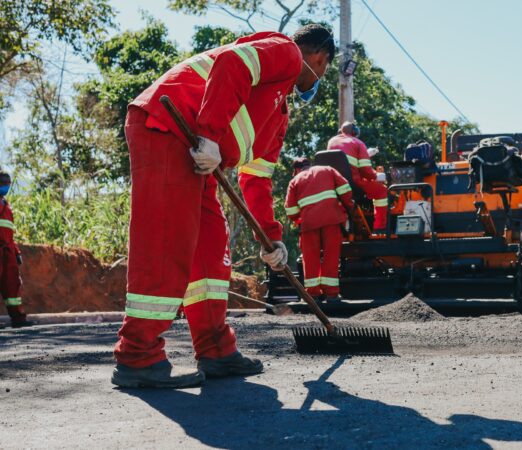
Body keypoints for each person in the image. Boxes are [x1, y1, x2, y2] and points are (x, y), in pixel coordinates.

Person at [112, 24, 335, 388]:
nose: (319, 76)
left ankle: (216, 350)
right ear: (320, 57)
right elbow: (232, 63)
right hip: (169, 127)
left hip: (196, 153)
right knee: (168, 240)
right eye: (324, 68)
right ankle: (138, 355)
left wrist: (271, 239)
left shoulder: (277, 115)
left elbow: (257, 178)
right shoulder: (285, 52)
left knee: (212, 249)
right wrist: (211, 135)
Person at [284, 157, 354, 302]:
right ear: (310, 165)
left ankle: (313, 294)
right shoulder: (327, 169)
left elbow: (290, 211)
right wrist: (348, 207)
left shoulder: (295, 181)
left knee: (310, 258)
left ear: (296, 170)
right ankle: (331, 294)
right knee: (331, 256)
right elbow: (345, 189)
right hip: (332, 220)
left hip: (309, 224)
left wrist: (300, 218)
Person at [327, 122, 388, 231]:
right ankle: (380, 228)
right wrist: (377, 175)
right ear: (354, 131)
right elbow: (366, 171)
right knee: (381, 191)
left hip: (333, 185)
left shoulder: (331, 142)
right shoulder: (358, 143)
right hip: (353, 184)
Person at [0, 171, 33, 328]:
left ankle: (18, 319)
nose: (5, 186)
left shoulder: (7, 207)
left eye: (8, 183)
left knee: (13, 285)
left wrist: (17, 252)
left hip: (8, 252)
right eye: (3, 183)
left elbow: (10, 235)